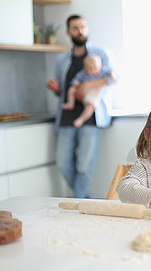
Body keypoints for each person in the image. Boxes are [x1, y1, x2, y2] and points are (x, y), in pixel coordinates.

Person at [46, 14, 117, 198]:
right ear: (68, 31)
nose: (80, 31)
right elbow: (62, 91)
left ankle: (77, 204)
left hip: (91, 116)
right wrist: (56, 89)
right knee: (63, 164)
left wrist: (87, 86)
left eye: (83, 26)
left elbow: (113, 78)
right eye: (75, 28)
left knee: (84, 166)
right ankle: (87, 201)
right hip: (67, 117)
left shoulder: (101, 53)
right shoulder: (62, 59)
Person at [62, 54, 116, 128]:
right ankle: (70, 103)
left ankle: (81, 119)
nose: (93, 71)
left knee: (90, 105)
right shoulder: (83, 74)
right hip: (82, 91)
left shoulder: (103, 71)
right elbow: (76, 80)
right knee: (71, 89)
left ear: (100, 66)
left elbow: (113, 75)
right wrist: (76, 84)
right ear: (85, 68)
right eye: (90, 69)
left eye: (95, 68)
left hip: (94, 93)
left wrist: (112, 74)